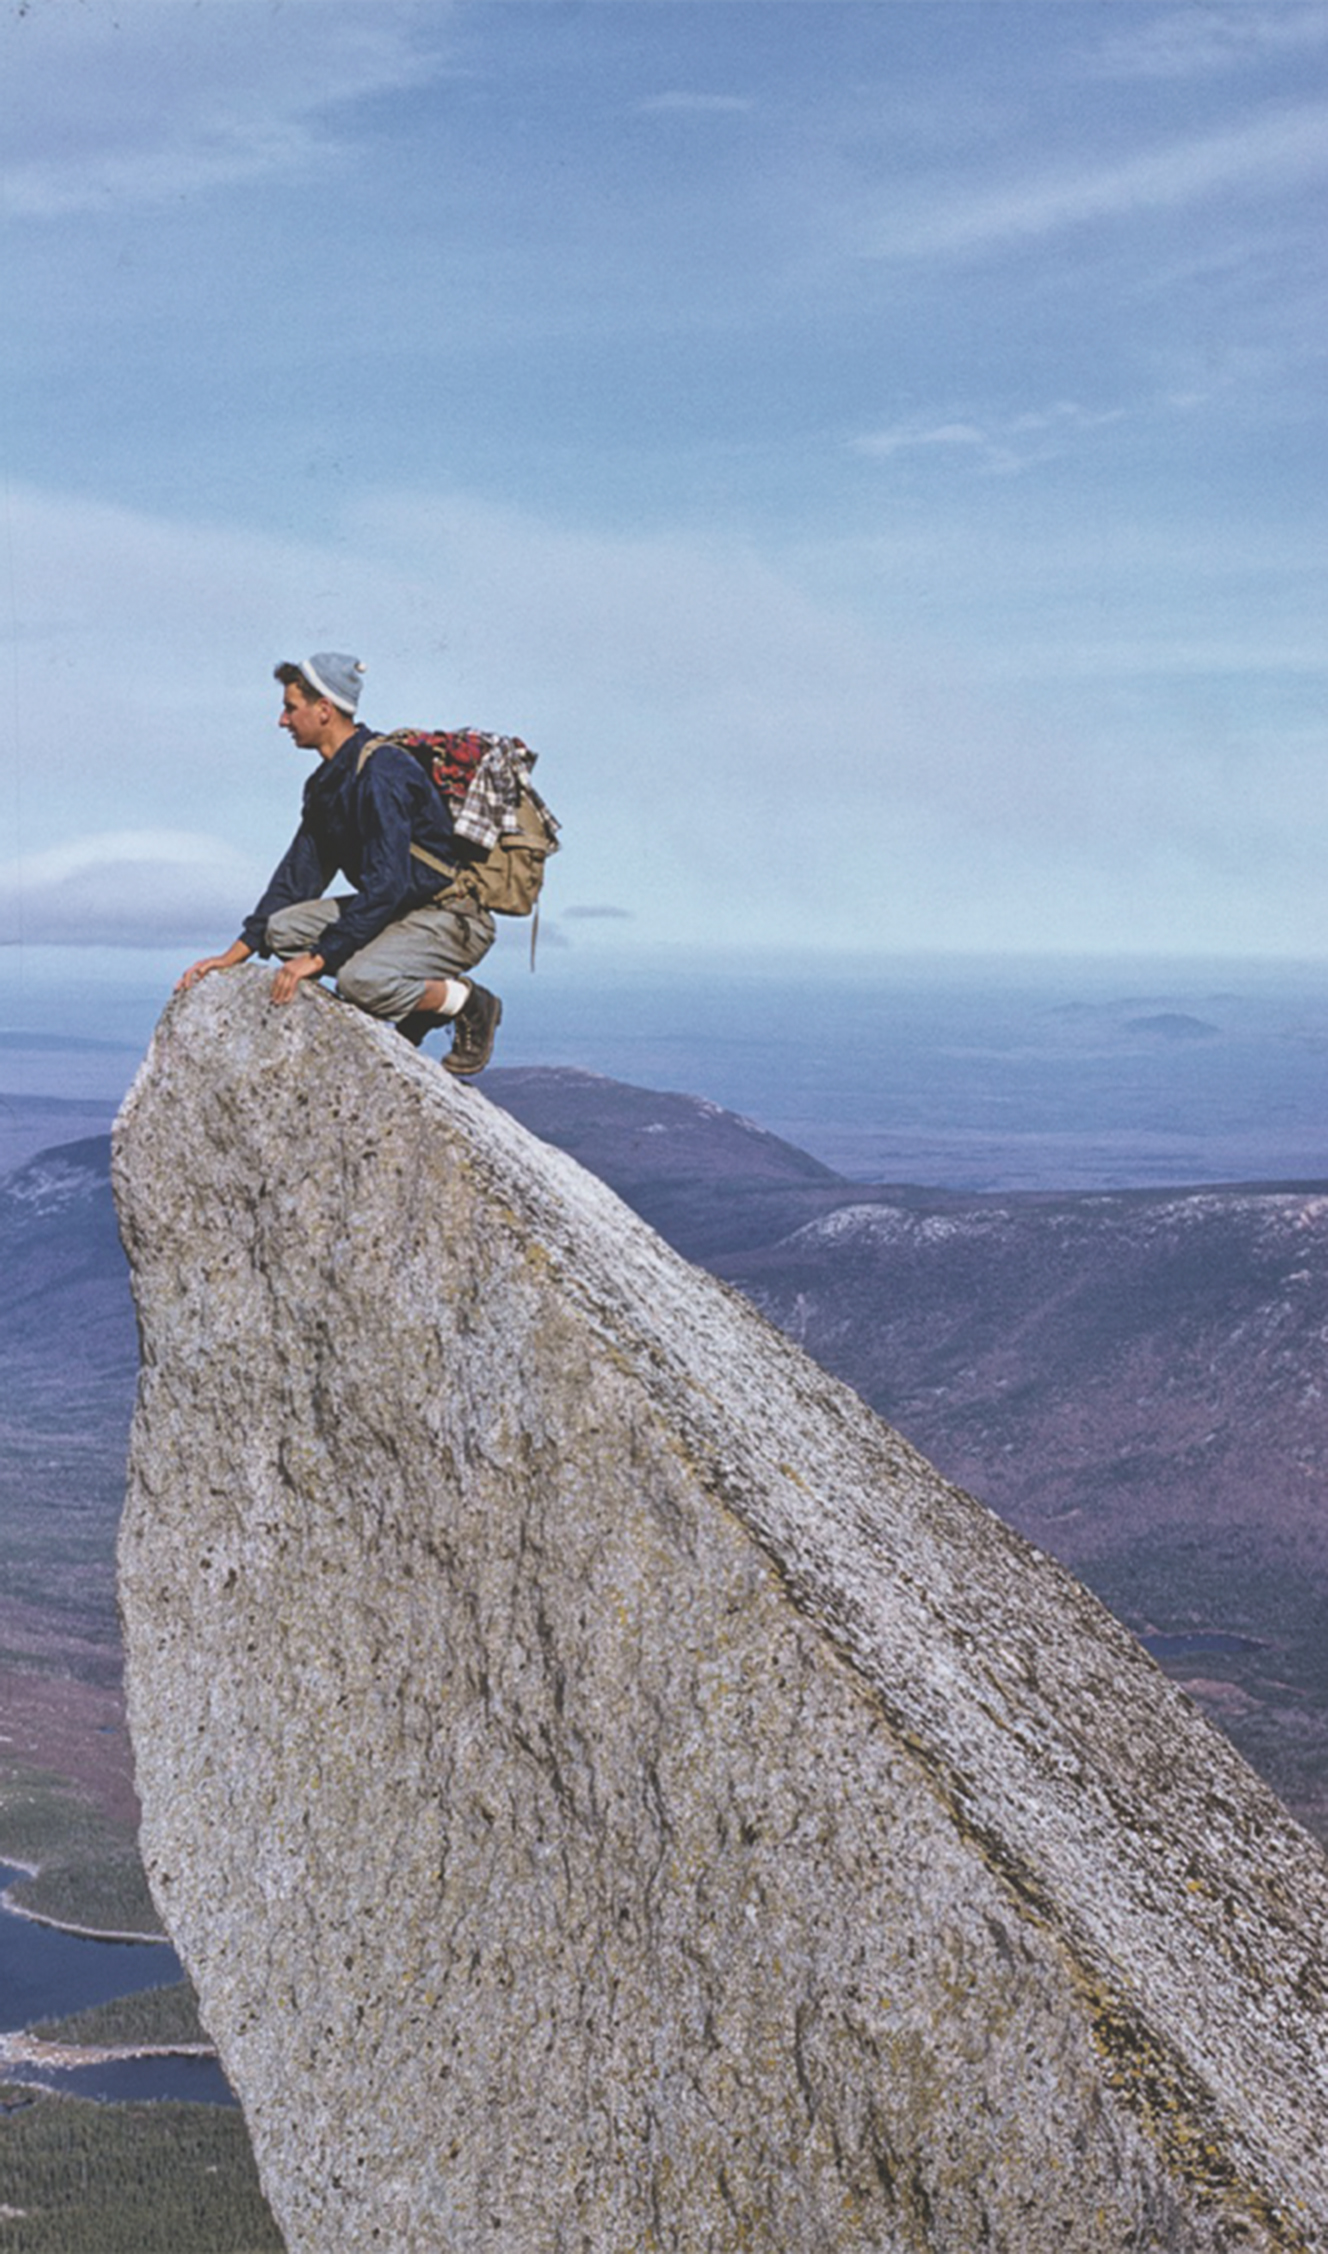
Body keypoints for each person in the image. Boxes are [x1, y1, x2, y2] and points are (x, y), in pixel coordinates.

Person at [177, 652, 502, 1075]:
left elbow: (387, 884)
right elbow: (298, 877)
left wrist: (319, 958)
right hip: (396, 911)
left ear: (324, 709)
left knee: (358, 982)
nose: (282, 720)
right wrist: (233, 954)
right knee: (281, 931)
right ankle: (409, 992)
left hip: (450, 915)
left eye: (291, 708)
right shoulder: (327, 785)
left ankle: (467, 1002)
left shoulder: (383, 774)